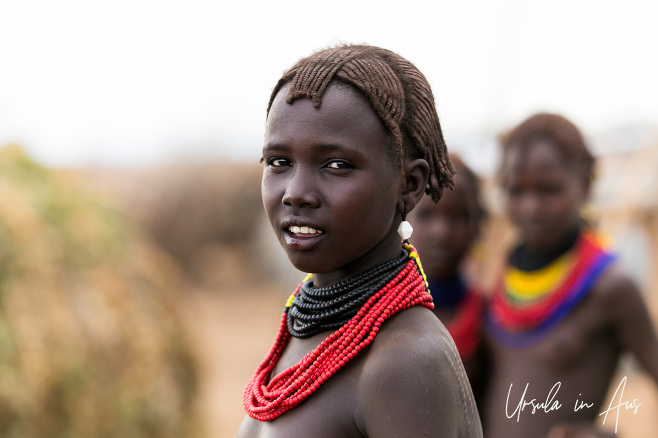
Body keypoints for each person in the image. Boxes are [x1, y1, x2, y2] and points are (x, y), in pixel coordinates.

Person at [238, 45, 482, 437]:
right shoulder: (313, 329)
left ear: (409, 184)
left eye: (337, 165)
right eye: (279, 162)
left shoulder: (405, 361)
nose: (296, 192)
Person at [482, 113, 658, 438]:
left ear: (586, 184)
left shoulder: (610, 288)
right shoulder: (499, 280)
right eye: (515, 191)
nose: (530, 207)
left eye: (548, 190)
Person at [408, 154, 488, 402]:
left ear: (478, 225)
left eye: (458, 216)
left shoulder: (490, 320)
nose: (442, 232)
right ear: (401, 219)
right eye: (426, 216)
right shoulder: (371, 312)